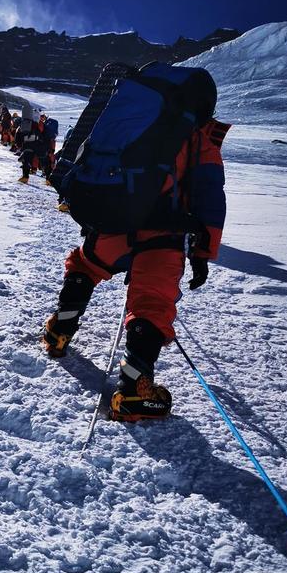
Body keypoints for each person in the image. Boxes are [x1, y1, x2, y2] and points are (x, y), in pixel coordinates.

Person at [43, 69, 229, 421]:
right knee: (152, 303)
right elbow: (210, 197)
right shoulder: (199, 139)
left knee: (86, 264)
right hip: (166, 235)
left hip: (118, 216)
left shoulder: (135, 118)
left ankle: (59, 331)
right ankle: (134, 390)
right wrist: (203, 253)